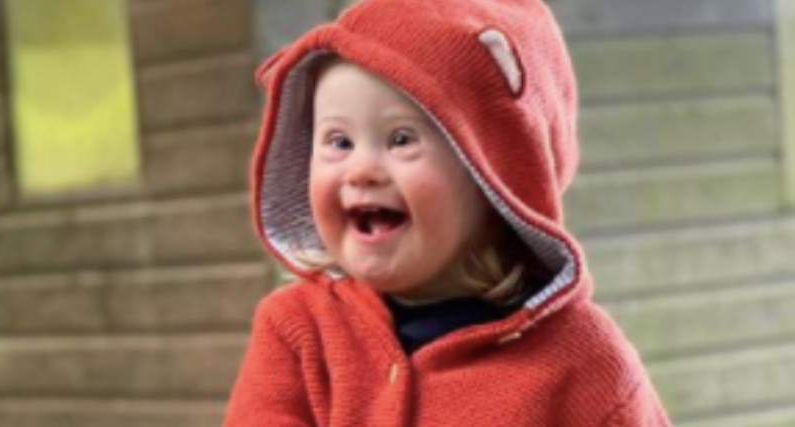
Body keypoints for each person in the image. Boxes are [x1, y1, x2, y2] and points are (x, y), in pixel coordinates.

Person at [224, 0, 671, 425]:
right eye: (339, 141)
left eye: (401, 139)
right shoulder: (299, 330)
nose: (360, 170)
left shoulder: (583, 364)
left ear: (492, 176)